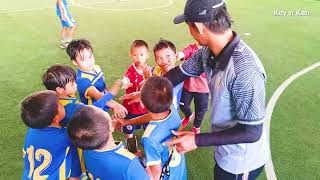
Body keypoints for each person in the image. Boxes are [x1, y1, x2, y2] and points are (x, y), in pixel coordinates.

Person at [164, 0, 269, 179]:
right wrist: (150, 87)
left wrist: (197, 140)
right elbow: (179, 73)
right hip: (225, 148)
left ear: (198, 26)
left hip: (241, 161)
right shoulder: (207, 51)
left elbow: (252, 132)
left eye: (188, 25)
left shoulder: (245, 71)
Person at [67, 105, 150, 180]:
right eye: (109, 118)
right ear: (110, 128)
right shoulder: (130, 164)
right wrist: (146, 166)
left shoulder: (87, 146)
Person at [21, 90, 81, 180]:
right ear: (56, 118)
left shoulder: (31, 130)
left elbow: (24, 154)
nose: (63, 106)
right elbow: (74, 156)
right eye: (61, 105)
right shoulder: (66, 136)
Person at [42, 64, 122, 126]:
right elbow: (92, 109)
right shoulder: (69, 108)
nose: (76, 85)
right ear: (60, 89)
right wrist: (111, 94)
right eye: (72, 84)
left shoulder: (57, 99)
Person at [140, 76, 187, 180]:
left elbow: (155, 176)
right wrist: (128, 122)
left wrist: (141, 163)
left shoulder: (149, 138)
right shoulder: (172, 110)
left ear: (142, 104)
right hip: (179, 172)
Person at [66, 39, 127, 118]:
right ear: (74, 62)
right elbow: (98, 96)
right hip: (94, 109)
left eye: (90, 56)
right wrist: (115, 105)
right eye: (83, 59)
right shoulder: (81, 80)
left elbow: (102, 83)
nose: (89, 61)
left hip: (105, 100)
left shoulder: (96, 67)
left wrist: (108, 96)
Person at [121, 40, 150, 153]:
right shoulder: (131, 70)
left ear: (147, 55)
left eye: (141, 55)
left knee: (149, 129)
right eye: (135, 55)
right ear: (130, 55)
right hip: (131, 108)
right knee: (129, 131)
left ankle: (147, 142)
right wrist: (125, 82)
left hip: (145, 108)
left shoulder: (149, 70)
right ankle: (132, 150)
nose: (138, 58)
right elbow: (126, 77)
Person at [177, 43, 210, 134]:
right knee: (183, 106)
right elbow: (184, 53)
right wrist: (179, 55)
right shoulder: (192, 48)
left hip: (203, 89)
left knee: (200, 110)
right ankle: (189, 115)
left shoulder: (211, 51)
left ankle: (196, 126)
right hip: (188, 86)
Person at [144, 39, 184, 110]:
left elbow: (162, 96)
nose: (164, 61)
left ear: (175, 56)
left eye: (168, 56)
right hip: (158, 107)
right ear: (156, 61)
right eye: (160, 58)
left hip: (170, 110)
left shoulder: (178, 76)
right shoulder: (157, 69)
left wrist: (149, 80)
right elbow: (152, 70)